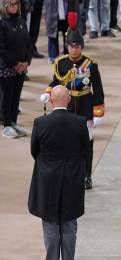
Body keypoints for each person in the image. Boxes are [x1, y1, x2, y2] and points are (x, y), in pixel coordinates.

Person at [28, 85, 90, 260]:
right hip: (72, 178)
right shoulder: (80, 122)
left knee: (51, 222)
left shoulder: (41, 122)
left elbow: (34, 151)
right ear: (69, 100)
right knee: (70, 222)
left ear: (51, 100)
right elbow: (86, 151)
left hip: (47, 179)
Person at [40, 29, 104, 188]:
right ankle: (67, 173)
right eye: (71, 46)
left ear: (81, 47)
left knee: (86, 144)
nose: (74, 49)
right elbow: (56, 81)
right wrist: (49, 93)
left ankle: (87, 175)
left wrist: (98, 111)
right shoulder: (61, 62)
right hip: (66, 107)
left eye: (77, 46)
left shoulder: (90, 64)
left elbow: (98, 88)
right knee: (66, 142)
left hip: (85, 106)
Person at [0, 0, 29, 138]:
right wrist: (15, 63)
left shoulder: (21, 21)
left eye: (16, 3)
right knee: (7, 97)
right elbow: (2, 48)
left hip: (21, 67)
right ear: (4, 6)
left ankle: (14, 122)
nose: (14, 6)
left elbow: (27, 43)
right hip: (7, 67)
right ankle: (6, 125)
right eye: (11, 4)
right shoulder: (2, 23)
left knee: (16, 96)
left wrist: (26, 62)